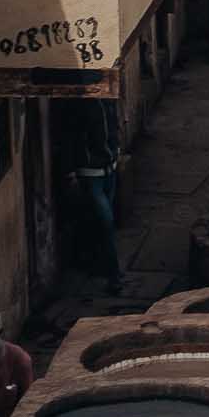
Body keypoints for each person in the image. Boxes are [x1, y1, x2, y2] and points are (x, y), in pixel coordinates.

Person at [63, 94, 125, 295]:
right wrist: (70, 170)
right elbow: (70, 137)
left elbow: (115, 126)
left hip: (110, 169)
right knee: (106, 223)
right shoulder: (78, 103)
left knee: (102, 222)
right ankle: (114, 275)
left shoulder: (108, 99)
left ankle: (98, 265)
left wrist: (116, 150)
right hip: (91, 175)